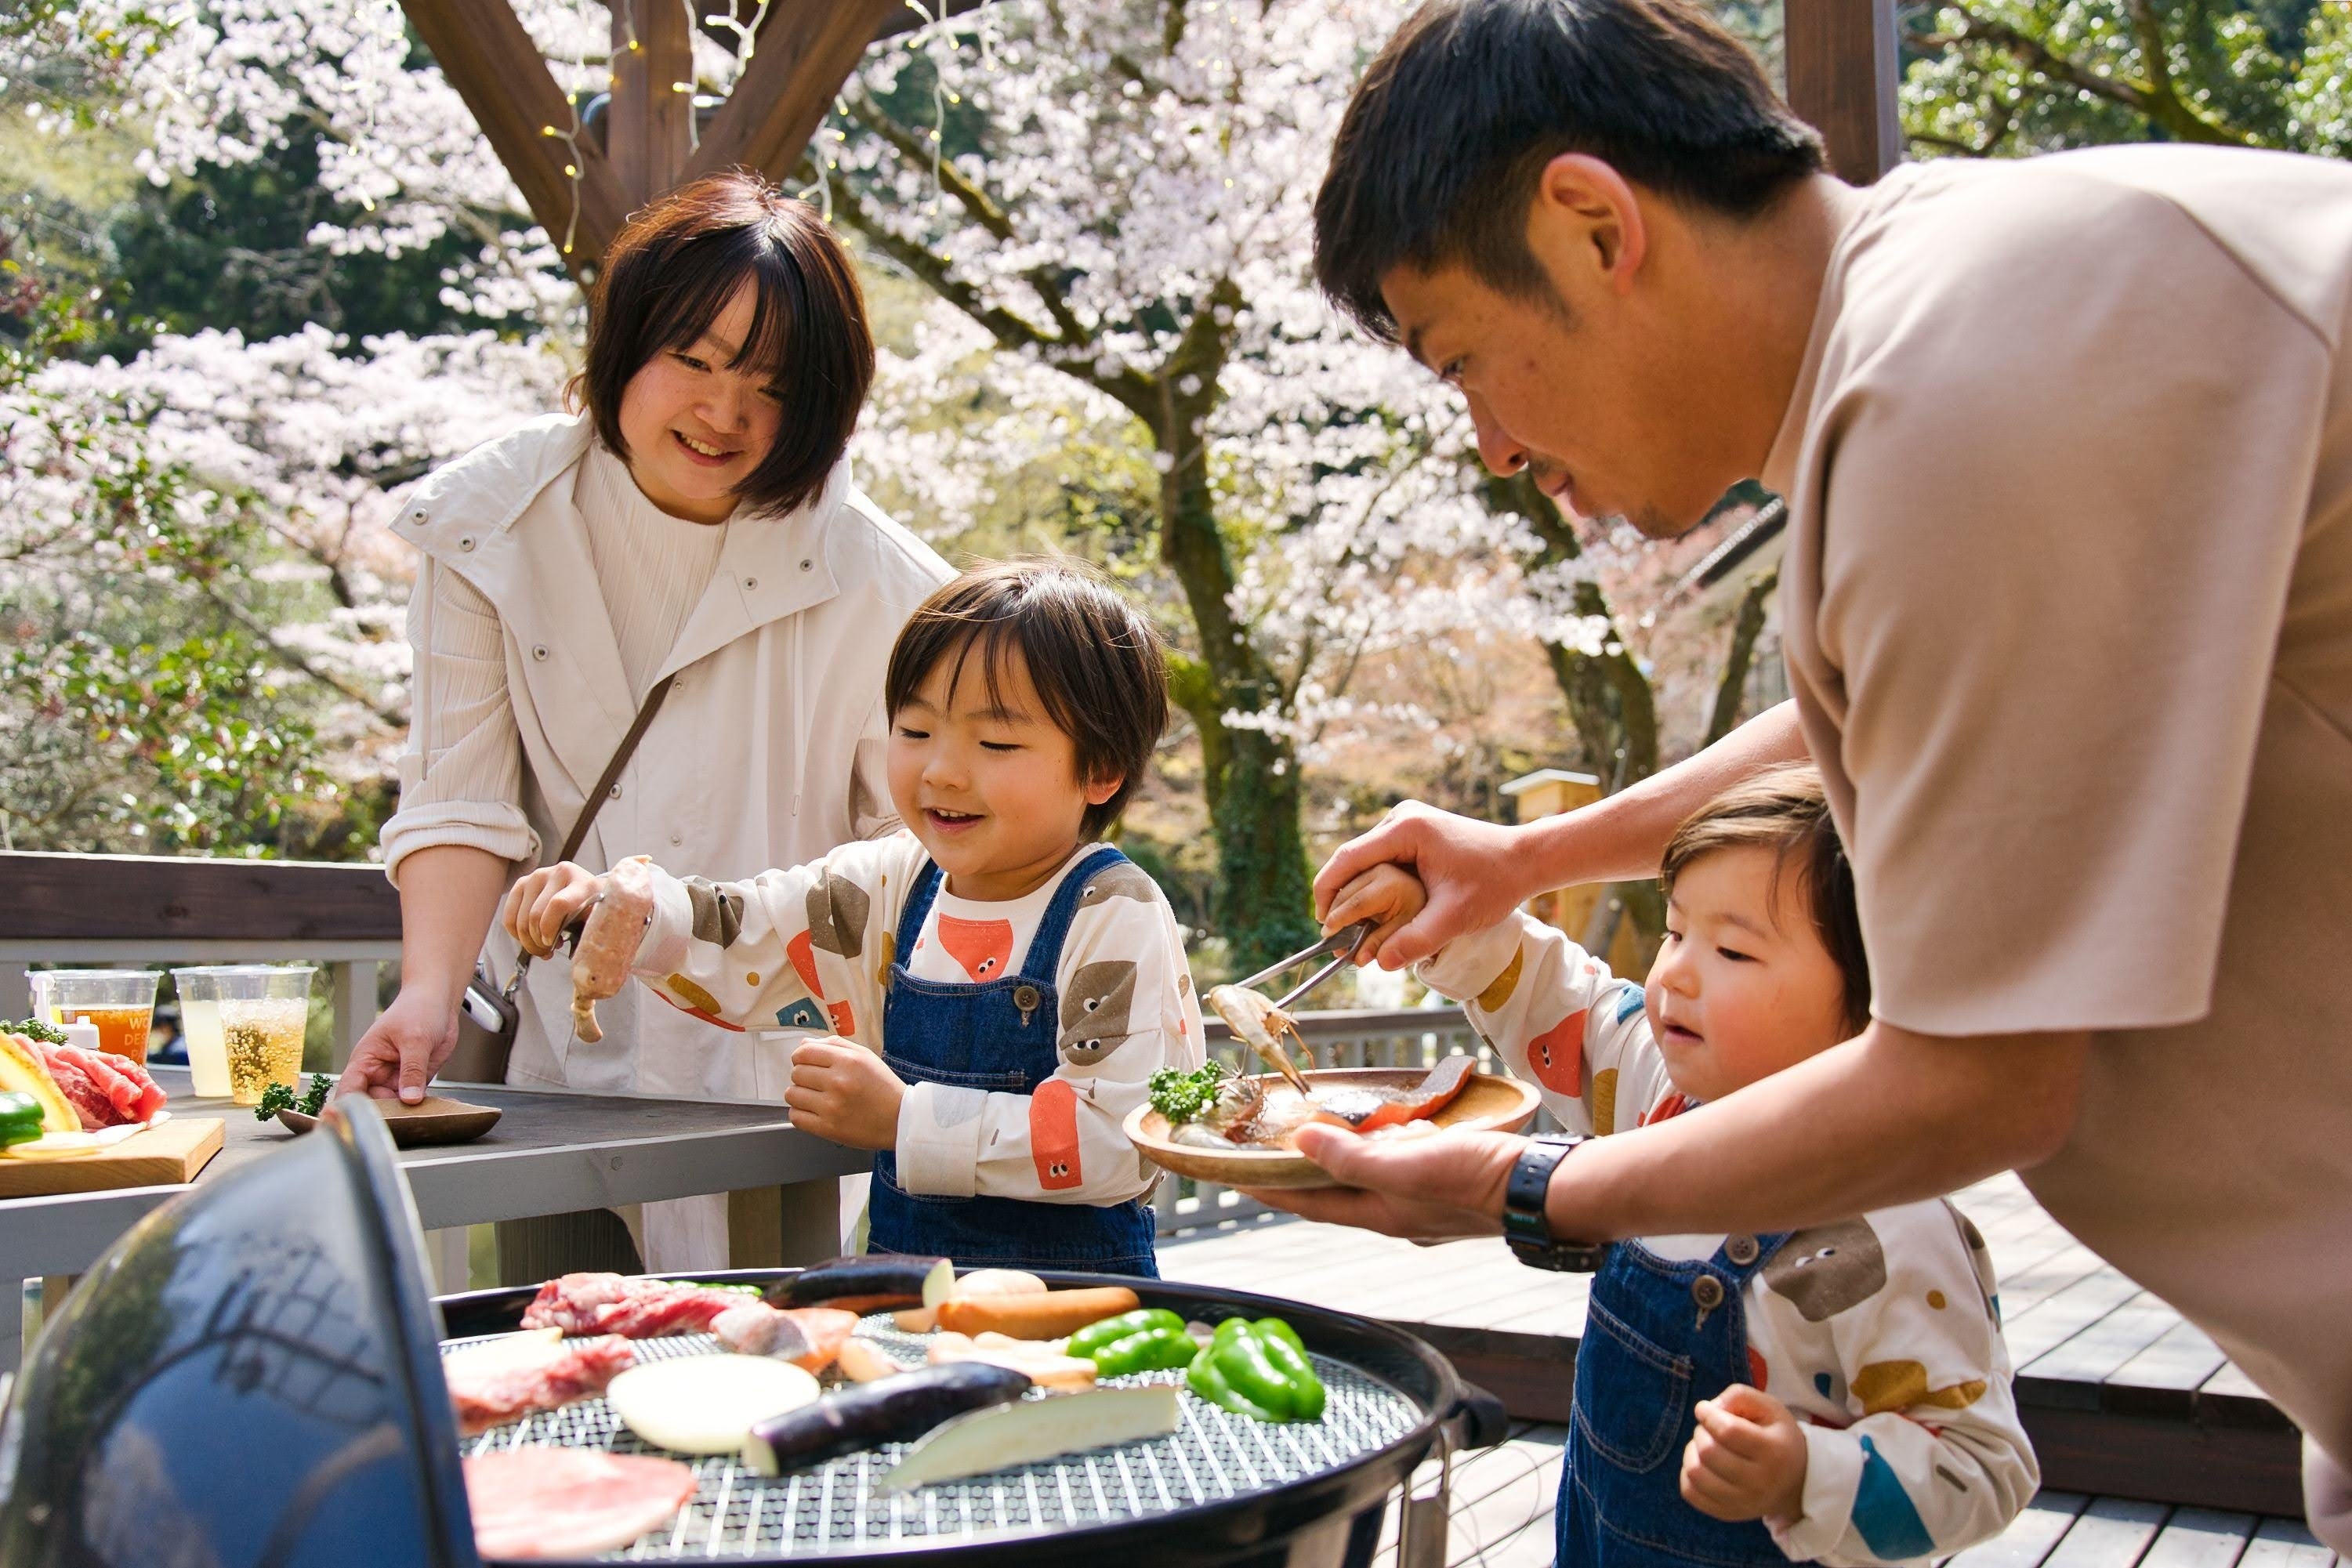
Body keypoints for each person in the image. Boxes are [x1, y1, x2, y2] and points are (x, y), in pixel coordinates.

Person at [1282, 0, 2352, 1544]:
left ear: (1591, 224)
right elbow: (1891, 712)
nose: (1492, 444)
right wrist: (1526, 863)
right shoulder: (1958, 321)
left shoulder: (1961, 385)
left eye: (1467, 362)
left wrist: (1523, 1190)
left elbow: (1983, 1072)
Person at [339, 171, 953, 1271]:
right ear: (624, 345)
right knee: (544, 1363)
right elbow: (461, 794)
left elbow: (932, 853)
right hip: (545, 1077)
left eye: (770, 385)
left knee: (763, 1389)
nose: (725, 414)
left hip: (779, 1088)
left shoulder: (890, 586)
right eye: (698, 361)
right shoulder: (491, 522)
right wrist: (427, 998)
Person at [1328, 767, 2035, 1567]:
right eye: (1673, 932)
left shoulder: (1891, 1226)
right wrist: (1438, 922)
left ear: (1885, 991)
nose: (1673, 976)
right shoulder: (1660, 1094)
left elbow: (1982, 1466)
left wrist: (1807, 1472)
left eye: (1732, 948)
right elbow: (1560, 998)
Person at [499, 559, 1202, 1276]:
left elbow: (1124, 1139)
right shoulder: (891, 882)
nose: (942, 772)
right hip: (908, 1292)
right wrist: (619, 909)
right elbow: (745, 929)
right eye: (915, 730)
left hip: (1077, 1305)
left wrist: (904, 1120)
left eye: (995, 743)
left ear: (1100, 770)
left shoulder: (1113, 913)